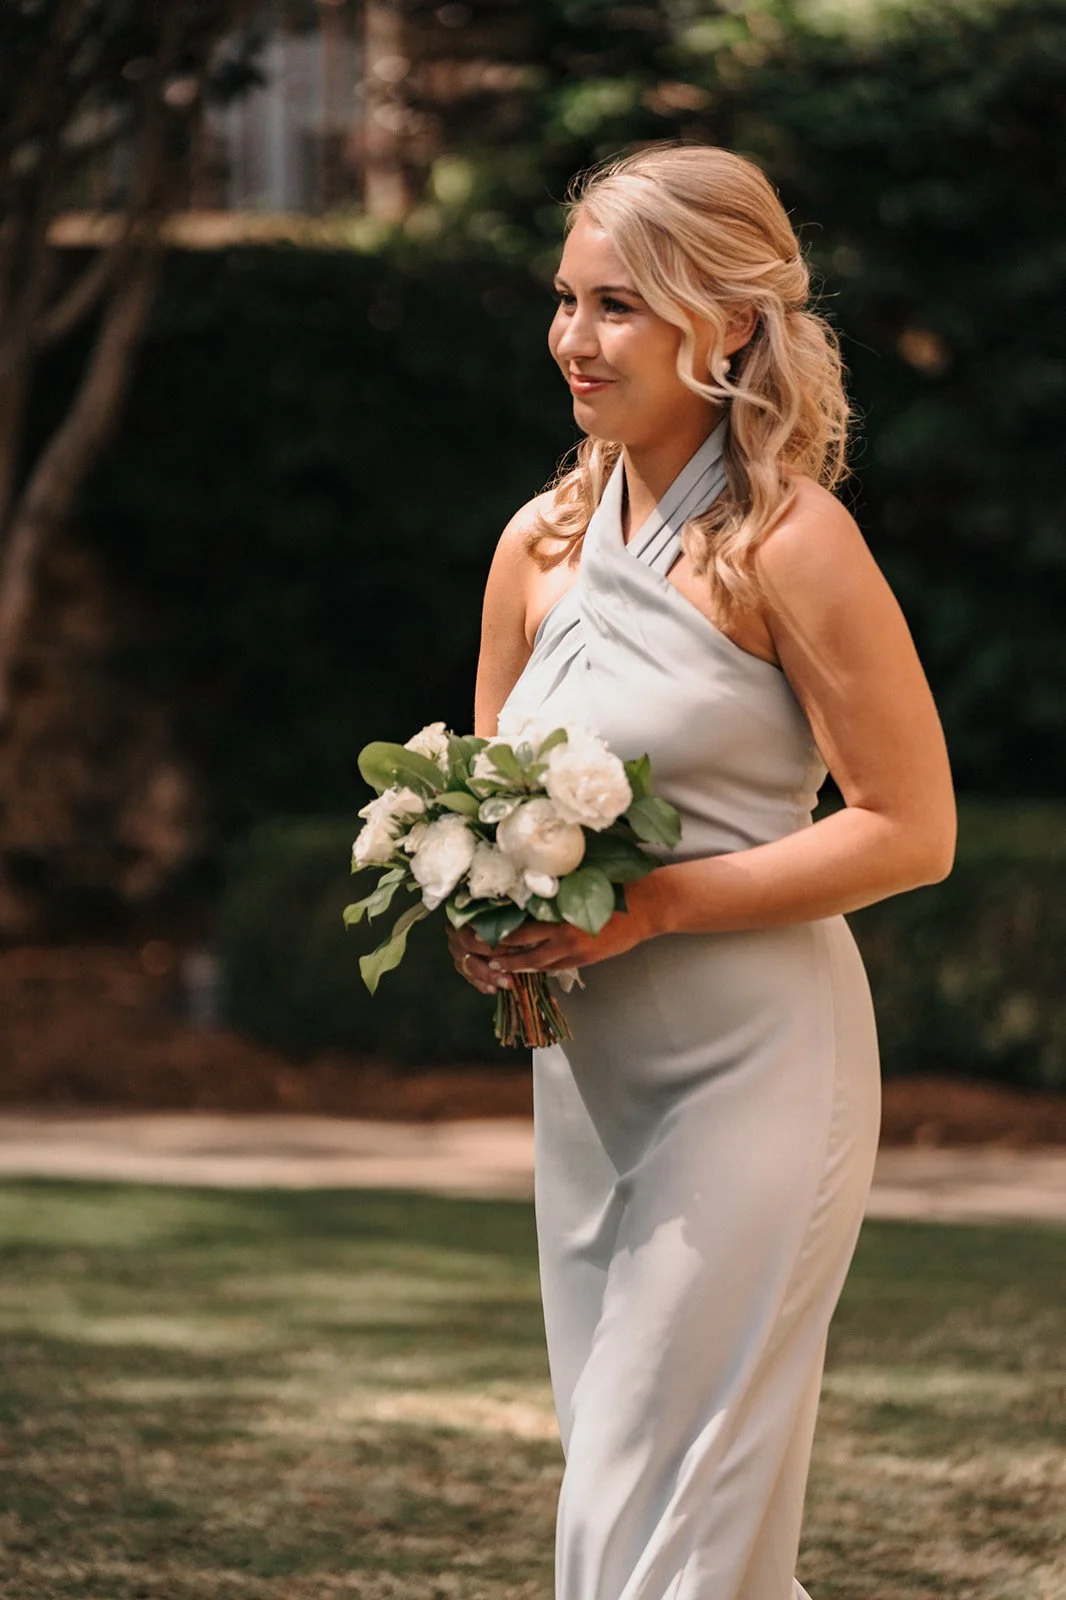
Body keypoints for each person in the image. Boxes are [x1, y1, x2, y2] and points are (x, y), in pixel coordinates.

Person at [447, 142, 956, 1600]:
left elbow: (909, 829)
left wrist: (657, 903)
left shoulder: (792, 544)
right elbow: (490, 807)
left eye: (619, 304)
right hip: (586, 1089)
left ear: (725, 324)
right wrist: (488, 923)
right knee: (651, 1492)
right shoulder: (533, 549)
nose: (573, 340)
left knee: (653, 1503)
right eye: (564, 299)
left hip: (757, 1073)